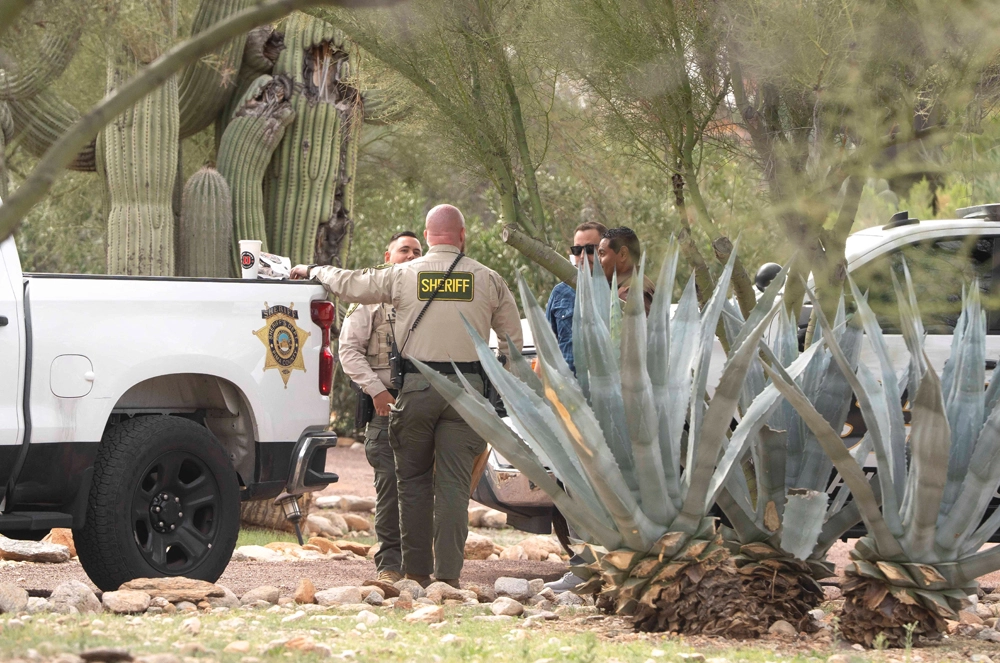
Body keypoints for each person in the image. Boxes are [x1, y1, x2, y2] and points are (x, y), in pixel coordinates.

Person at [291, 205, 523, 588]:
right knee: (452, 486)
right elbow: (511, 346)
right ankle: (447, 577)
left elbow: (351, 284)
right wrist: (498, 394)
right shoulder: (489, 279)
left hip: (416, 387)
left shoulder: (402, 275)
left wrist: (316, 270)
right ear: (463, 235)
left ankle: (414, 572)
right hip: (468, 391)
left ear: (429, 238)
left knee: (411, 482)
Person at [337, 230, 423, 585]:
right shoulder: (369, 304)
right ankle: (389, 564)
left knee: (422, 488)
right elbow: (349, 351)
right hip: (385, 409)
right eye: (404, 250)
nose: (412, 256)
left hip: (423, 408)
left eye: (418, 251)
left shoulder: (431, 302)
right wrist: (376, 391)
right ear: (388, 258)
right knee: (389, 487)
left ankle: (420, 566)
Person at [544, 221, 607, 374]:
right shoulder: (560, 292)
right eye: (577, 250)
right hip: (569, 390)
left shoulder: (623, 291)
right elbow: (546, 348)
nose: (583, 256)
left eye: (590, 249)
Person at [597, 226, 656, 314]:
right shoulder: (639, 283)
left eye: (602, 254)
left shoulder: (629, 294)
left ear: (623, 254)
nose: (598, 261)